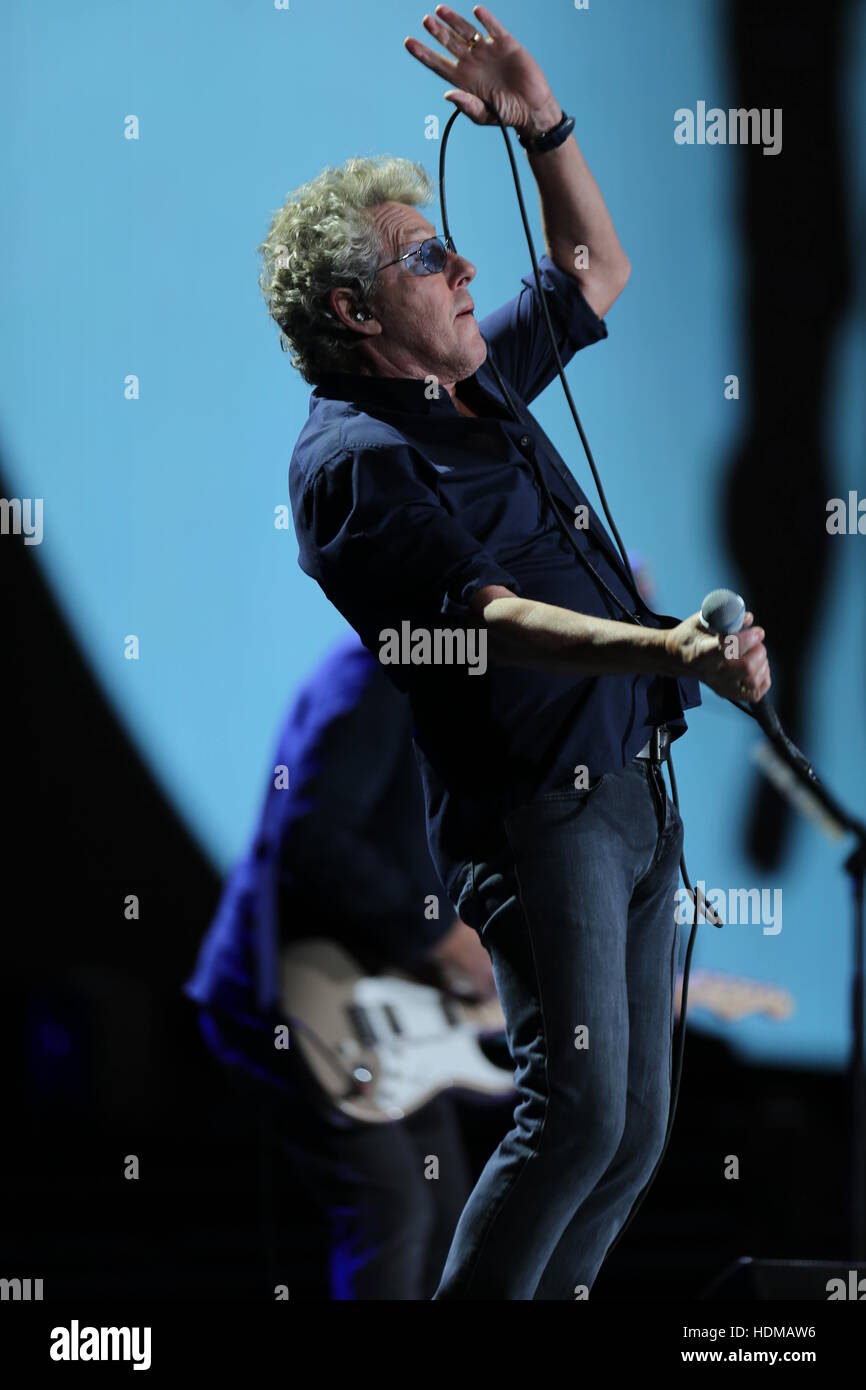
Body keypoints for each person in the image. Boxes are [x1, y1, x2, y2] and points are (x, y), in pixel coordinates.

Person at [259, 4, 771, 1299]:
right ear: (353, 309)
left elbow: (595, 268)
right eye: (427, 256)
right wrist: (669, 649)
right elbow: (485, 620)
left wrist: (541, 124)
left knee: (632, 1130)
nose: (462, 270)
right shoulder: (353, 461)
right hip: (545, 812)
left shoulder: (466, 382)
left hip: (624, 792)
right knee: (574, 1115)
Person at [184, 633, 502, 1300]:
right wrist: (446, 941)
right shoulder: (382, 671)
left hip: (377, 990)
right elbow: (313, 838)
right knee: (396, 1210)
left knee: (444, 1215)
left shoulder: (461, 695)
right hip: (288, 988)